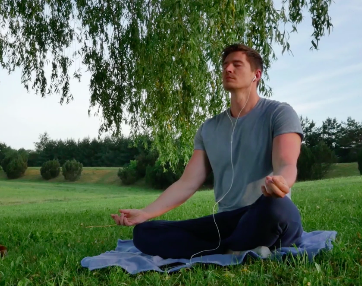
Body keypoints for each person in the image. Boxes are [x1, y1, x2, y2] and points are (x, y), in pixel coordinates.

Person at [111, 43, 304, 259]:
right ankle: (236, 248)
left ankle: (226, 248)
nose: (228, 69)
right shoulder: (208, 128)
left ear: (256, 75)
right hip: (227, 222)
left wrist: (282, 183)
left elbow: (286, 163)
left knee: (278, 209)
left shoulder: (279, 113)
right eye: (225, 65)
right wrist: (145, 213)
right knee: (144, 233)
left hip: (265, 213)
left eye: (237, 64)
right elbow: (187, 183)